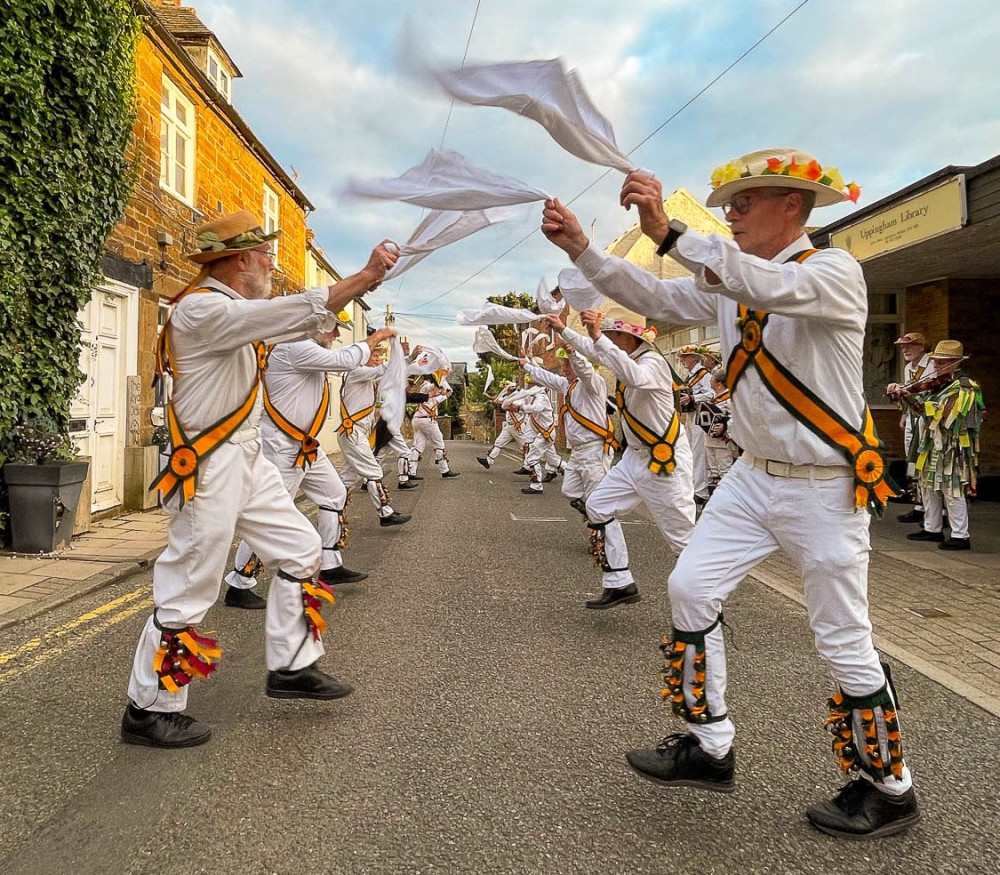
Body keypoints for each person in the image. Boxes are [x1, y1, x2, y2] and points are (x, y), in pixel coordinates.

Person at [541, 147, 919, 838]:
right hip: (750, 477)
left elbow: (758, 283)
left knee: (842, 640)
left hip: (824, 487)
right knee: (689, 588)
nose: (732, 212)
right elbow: (655, 295)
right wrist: (585, 251)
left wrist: (667, 232)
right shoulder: (729, 281)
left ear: (793, 208)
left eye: (745, 202)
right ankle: (708, 744)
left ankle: (889, 785)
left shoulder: (833, 274)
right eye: (730, 204)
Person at [122, 210, 397, 748]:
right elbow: (289, 314)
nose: (271, 262)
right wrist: (364, 278)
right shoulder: (202, 309)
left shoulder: (228, 309)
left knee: (299, 547)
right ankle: (147, 709)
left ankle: (291, 665)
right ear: (241, 259)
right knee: (188, 584)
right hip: (207, 464)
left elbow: (286, 320)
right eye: (265, 254)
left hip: (246, 459)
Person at [221, 318, 398, 608]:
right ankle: (239, 583)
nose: (338, 333)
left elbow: (348, 361)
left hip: (303, 445)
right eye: (334, 326)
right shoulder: (293, 346)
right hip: (281, 446)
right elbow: (343, 359)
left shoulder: (304, 348)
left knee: (334, 494)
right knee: (272, 515)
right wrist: (375, 337)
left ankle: (329, 564)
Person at [555, 310, 696, 608]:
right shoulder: (626, 356)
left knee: (682, 538)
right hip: (633, 458)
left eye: (609, 336)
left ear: (625, 338)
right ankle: (620, 581)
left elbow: (634, 376)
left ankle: (705, 609)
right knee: (596, 505)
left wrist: (595, 338)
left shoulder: (653, 362)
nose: (604, 341)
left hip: (665, 461)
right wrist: (564, 331)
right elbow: (598, 351)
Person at [529, 320, 615, 518]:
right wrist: (528, 366)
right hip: (577, 452)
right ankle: (594, 514)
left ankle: (601, 539)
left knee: (597, 499)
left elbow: (584, 371)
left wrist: (574, 353)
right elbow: (547, 378)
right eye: (563, 364)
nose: (564, 369)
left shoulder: (593, 383)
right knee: (569, 491)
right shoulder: (567, 385)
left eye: (567, 365)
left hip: (594, 449)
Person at [904, 340, 985, 551]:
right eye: (936, 362)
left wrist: (914, 399)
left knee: (952, 487)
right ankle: (932, 528)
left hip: (953, 446)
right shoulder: (939, 383)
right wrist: (906, 398)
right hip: (932, 444)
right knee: (928, 485)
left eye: (941, 362)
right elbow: (921, 409)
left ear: (955, 363)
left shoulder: (964, 386)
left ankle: (960, 535)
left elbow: (945, 413)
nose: (936, 366)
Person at [338, 348, 411, 526]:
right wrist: (406, 358)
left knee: (347, 478)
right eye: (375, 356)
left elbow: (393, 374)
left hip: (356, 433)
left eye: (379, 356)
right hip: (353, 432)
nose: (378, 359)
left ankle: (334, 514)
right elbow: (384, 369)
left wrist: (410, 360)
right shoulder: (356, 372)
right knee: (373, 470)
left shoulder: (367, 378)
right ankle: (385, 513)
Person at [886, 332, 933, 524]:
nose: (905, 349)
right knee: (912, 461)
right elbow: (908, 394)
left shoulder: (931, 365)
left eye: (910, 345)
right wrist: (904, 413)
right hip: (913, 418)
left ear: (922, 347)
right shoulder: (908, 368)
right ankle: (919, 505)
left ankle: (936, 512)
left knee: (926, 461)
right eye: (903, 346)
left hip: (929, 418)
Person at [677, 345, 714, 504]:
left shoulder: (704, 374)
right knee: (690, 451)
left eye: (684, 358)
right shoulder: (690, 375)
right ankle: (692, 486)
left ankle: (701, 491)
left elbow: (711, 393)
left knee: (698, 453)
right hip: (691, 416)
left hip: (700, 416)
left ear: (693, 358)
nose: (682, 361)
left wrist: (693, 399)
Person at [410, 377, 461, 479]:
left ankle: (411, 471)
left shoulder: (428, 395)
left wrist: (445, 395)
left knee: (418, 446)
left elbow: (436, 399)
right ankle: (444, 470)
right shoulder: (425, 387)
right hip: (427, 420)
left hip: (419, 420)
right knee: (439, 443)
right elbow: (432, 387)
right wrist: (440, 382)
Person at [477, 381, 526, 469]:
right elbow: (496, 400)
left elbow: (504, 402)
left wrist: (507, 389)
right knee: (499, 442)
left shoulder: (519, 398)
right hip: (509, 426)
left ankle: (529, 466)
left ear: (511, 389)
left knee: (525, 446)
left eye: (506, 389)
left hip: (517, 426)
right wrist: (487, 395)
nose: (505, 391)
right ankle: (489, 461)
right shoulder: (508, 397)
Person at [703, 367, 736, 490]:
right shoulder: (713, 396)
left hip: (722, 441)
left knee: (724, 471)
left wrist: (725, 425)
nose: (710, 380)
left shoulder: (728, 397)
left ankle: (727, 498)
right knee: (713, 472)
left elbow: (736, 417)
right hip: (709, 440)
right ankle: (713, 499)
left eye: (712, 378)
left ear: (718, 382)